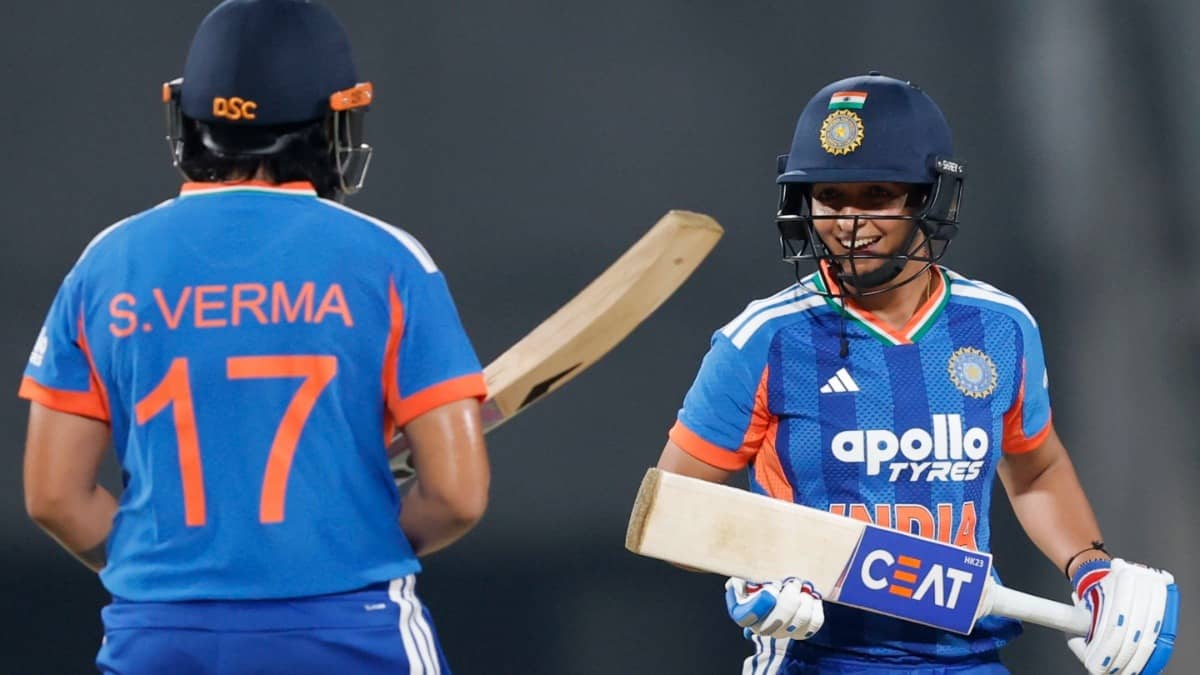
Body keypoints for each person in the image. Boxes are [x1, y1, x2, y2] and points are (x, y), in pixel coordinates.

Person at [19, 1, 489, 672]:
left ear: (188, 119)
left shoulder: (107, 264)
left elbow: (54, 495)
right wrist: (347, 543)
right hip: (346, 629)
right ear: (334, 121)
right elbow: (456, 495)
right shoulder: (388, 260)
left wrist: (172, 573)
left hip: (159, 634)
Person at [656, 73, 1178, 674]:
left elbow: (1036, 469)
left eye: (876, 194)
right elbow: (673, 515)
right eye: (830, 197)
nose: (849, 222)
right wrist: (756, 573)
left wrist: (1091, 570)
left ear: (928, 198)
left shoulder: (1001, 327)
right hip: (818, 661)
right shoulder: (764, 340)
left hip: (970, 659)